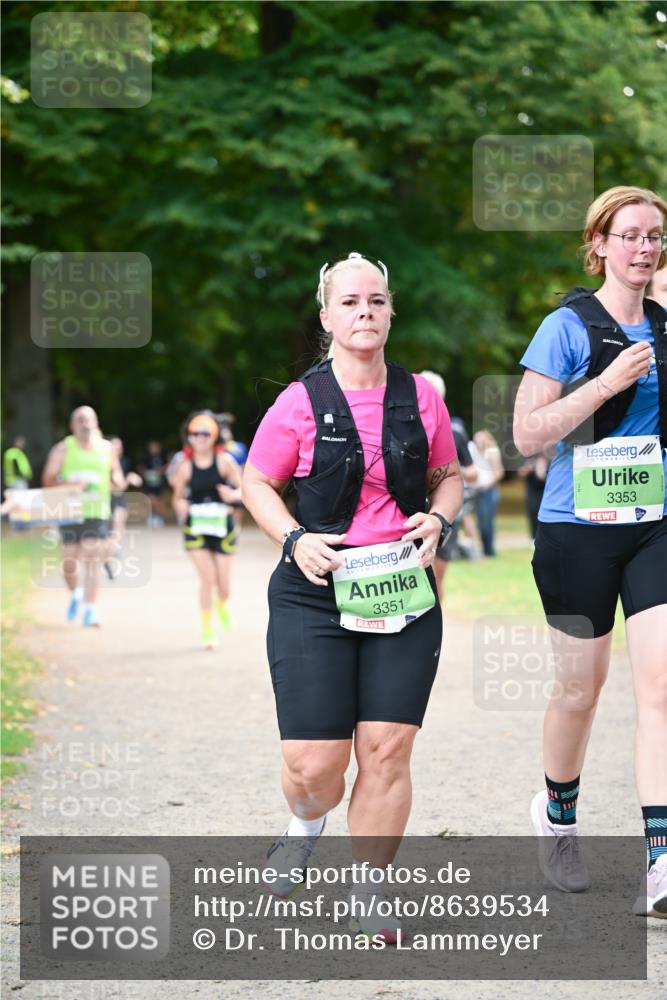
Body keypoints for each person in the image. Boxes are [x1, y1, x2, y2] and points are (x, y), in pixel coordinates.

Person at [242, 252, 463, 941]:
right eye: (349, 303)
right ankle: (304, 827)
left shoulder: (420, 395)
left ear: (389, 311)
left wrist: (438, 517)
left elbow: (446, 474)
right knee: (315, 766)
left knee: (387, 750)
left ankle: (371, 889)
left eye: (375, 301)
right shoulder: (299, 402)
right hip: (315, 591)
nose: (363, 312)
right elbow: (255, 482)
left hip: (400, 587)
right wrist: (291, 537)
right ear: (326, 317)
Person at [513, 186, 667, 917]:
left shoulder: (666, 328)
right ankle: (558, 815)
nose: (643, 248)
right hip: (575, 530)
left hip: (652, 525)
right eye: (629, 235)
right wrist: (604, 382)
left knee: (660, 688)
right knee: (580, 690)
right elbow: (526, 435)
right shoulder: (566, 326)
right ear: (599, 243)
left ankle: (661, 860)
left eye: (653, 236)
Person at [42, 406, 127, 627]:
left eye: (90, 419)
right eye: (80, 419)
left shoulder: (106, 448)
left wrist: (118, 481)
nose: (85, 423)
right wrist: (72, 485)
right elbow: (48, 480)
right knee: (69, 564)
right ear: (73, 425)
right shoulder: (62, 449)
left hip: (97, 512)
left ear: (96, 423)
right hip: (70, 511)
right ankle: (76, 594)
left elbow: (116, 474)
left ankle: (90, 610)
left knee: (92, 561)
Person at [171, 411, 242, 649]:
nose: (199, 438)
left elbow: (247, 491)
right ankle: (207, 631)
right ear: (189, 437)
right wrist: (180, 506)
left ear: (214, 436)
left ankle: (222, 604)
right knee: (207, 579)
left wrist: (233, 495)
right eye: (195, 434)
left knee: (224, 586)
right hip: (196, 527)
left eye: (205, 433)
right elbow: (177, 498)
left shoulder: (225, 462)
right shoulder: (185, 466)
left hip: (223, 527)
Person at [418, 371, 479, 595]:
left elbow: (473, 474)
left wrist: (445, 471)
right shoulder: (398, 428)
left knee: (435, 579)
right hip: (410, 514)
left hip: (443, 514)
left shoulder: (454, 433)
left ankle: (436, 626)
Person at [104, 437, 143, 580]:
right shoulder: (103, 462)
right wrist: (128, 480)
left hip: (120, 498)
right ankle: (107, 559)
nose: (117, 449)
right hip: (107, 499)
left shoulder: (124, 461)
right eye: (114, 446)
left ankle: (114, 548)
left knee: (120, 524)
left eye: (119, 446)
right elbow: (115, 486)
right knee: (110, 531)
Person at [469, 429, 504, 557]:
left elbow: (499, 472)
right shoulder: (473, 452)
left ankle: (489, 550)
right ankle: (484, 548)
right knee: (480, 521)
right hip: (478, 490)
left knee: (487, 521)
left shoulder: (492, 452)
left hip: (489, 490)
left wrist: (486, 484)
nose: (477, 441)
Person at [517, 454, 549, 540]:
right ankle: (533, 537)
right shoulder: (526, 457)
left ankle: (544, 537)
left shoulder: (548, 455)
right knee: (532, 513)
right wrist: (531, 467)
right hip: (532, 491)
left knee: (544, 514)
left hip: (545, 490)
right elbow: (520, 473)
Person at [140, 440, 168, 527]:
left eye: (155, 447)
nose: (153, 449)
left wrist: (161, 471)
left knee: (160, 501)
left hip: (160, 483)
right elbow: (141, 468)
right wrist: (146, 473)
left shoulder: (163, 456)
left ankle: (159, 517)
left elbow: (168, 466)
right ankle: (152, 516)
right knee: (151, 500)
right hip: (150, 483)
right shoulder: (146, 457)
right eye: (152, 447)